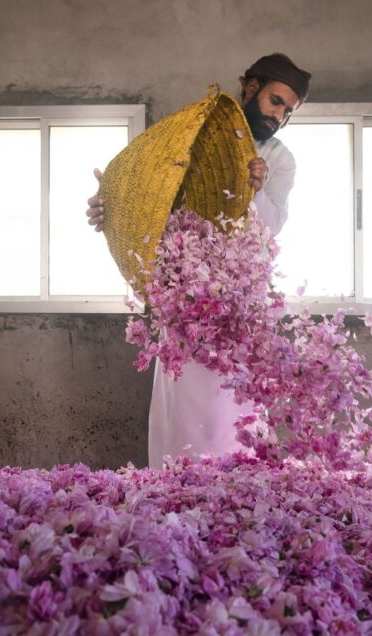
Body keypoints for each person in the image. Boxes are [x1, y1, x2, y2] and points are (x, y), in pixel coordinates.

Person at [86, 53, 311, 469]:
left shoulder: (280, 158)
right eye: (276, 101)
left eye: (288, 111)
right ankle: (174, 506)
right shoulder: (194, 137)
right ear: (251, 88)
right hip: (185, 300)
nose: (280, 115)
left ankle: (230, 510)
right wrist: (112, 210)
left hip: (238, 307)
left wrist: (254, 189)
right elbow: (158, 204)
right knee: (180, 412)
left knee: (231, 414)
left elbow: (271, 226)